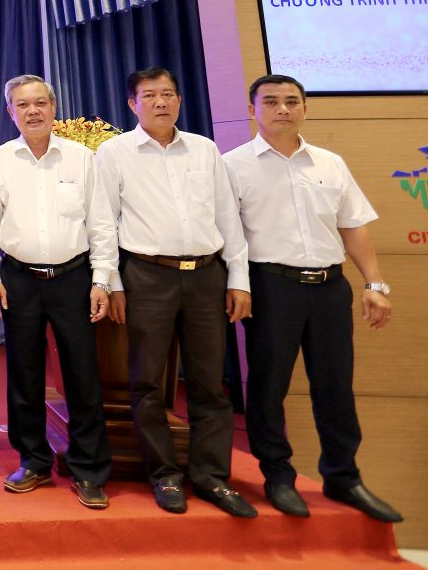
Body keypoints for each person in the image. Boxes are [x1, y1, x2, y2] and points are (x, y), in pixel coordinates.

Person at [224, 74, 401, 522]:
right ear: (252, 110)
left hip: (329, 287)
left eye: (292, 101)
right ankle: (277, 475)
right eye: (271, 102)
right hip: (270, 287)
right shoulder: (232, 166)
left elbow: (353, 226)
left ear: (305, 107)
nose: (283, 109)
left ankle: (343, 475)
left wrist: (375, 284)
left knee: (335, 385)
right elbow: (230, 238)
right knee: (268, 386)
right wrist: (238, 285)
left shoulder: (330, 163)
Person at [97, 66, 254, 517]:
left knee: (210, 382)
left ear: (179, 100)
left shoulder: (204, 149)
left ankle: (211, 476)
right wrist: (112, 282)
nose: (161, 102)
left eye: (168, 93)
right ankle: (164, 474)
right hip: (148, 275)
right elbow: (104, 222)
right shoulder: (114, 153)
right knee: (147, 382)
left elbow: (227, 217)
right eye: (150, 95)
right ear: (133, 104)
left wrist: (238, 278)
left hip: (206, 275)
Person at [0, 74, 116, 510]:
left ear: (53, 107)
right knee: (24, 372)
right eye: (23, 104)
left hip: (74, 278)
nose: (33, 111)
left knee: (82, 375)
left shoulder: (81, 158)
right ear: (10, 112)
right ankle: (33, 460)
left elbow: (101, 223)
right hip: (18, 278)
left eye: (40, 102)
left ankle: (88, 468)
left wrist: (101, 280)